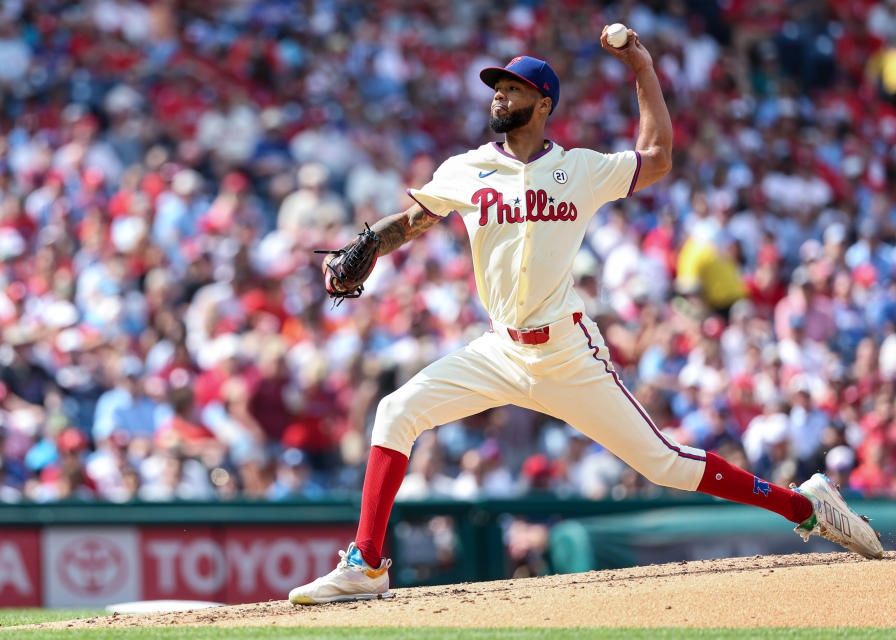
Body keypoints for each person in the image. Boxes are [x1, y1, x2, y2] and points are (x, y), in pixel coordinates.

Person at [288, 27, 883, 606]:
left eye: (514, 87)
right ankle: (365, 564)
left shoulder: (581, 169)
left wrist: (642, 69)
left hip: (568, 353)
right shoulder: (465, 169)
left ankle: (806, 507)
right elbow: (413, 219)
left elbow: (658, 157)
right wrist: (364, 246)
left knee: (667, 466)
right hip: (499, 350)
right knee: (395, 410)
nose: (499, 94)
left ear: (543, 103)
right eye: (496, 86)